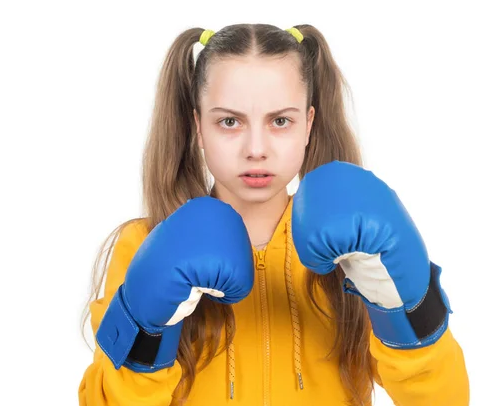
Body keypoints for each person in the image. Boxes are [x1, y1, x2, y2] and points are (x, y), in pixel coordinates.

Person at [78, 23, 469, 406]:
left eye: (280, 121)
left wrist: (408, 311)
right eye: (229, 121)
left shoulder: (358, 246)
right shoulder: (143, 245)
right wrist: (146, 339)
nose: (256, 149)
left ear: (308, 123)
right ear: (198, 126)